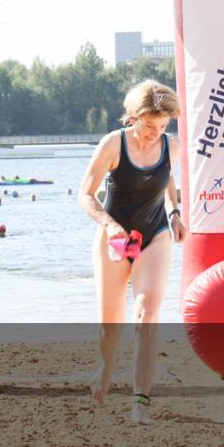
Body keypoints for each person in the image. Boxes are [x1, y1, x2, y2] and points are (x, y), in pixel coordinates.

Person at [78, 79, 184, 425]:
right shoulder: (113, 144)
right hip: (114, 236)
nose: (156, 133)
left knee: (146, 313)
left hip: (155, 235)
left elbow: (167, 179)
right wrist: (109, 225)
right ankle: (106, 367)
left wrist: (176, 213)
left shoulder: (172, 145)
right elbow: (85, 195)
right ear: (133, 117)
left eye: (163, 126)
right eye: (150, 125)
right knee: (110, 328)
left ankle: (140, 402)